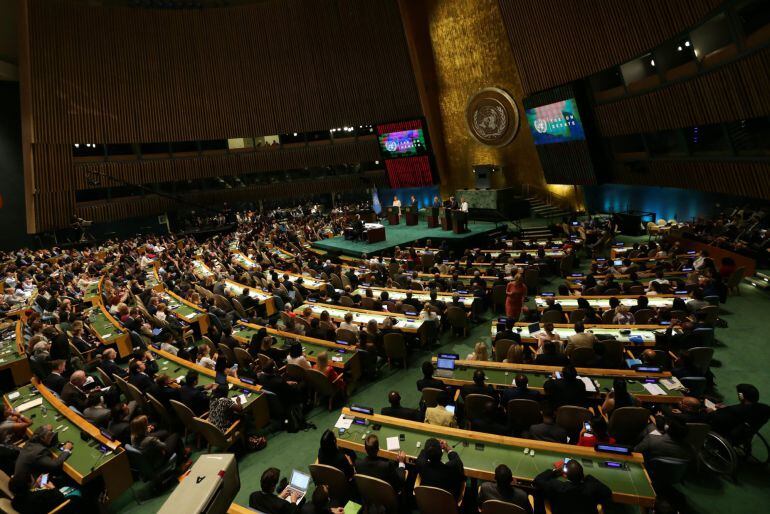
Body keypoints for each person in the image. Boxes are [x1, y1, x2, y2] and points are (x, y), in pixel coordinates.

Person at [534, 460, 612, 514]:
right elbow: (608, 492)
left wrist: (554, 471)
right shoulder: (592, 488)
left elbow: (538, 480)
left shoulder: (557, 486)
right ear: (582, 473)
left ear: (565, 475)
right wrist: (587, 477)